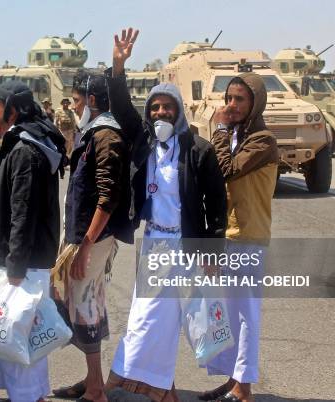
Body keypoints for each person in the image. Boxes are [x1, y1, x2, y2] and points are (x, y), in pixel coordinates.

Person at [99, 28, 227, 402]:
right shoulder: (146, 143)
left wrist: (212, 251)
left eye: (166, 107)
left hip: (182, 245)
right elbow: (121, 106)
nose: (160, 112)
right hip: (154, 240)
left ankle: (122, 378)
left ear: (178, 110)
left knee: (154, 319)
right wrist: (118, 67)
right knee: (151, 316)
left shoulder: (198, 150)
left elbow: (216, 205)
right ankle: (160, 389)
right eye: (154, 107)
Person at [51, 71, 134, 402]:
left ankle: (97, 388)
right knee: (85, 303)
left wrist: (85, 246)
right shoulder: (94, 133)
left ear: (93, 101)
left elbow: (108, 197)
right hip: (84, 235)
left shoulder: (106, 136)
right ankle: (92, 379)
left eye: (76, 100)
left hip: (93, 239)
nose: (74, 107)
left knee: (85, 305)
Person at [0, 80, 66, 402]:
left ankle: (27, 397)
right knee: (25, 337)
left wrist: (14, 266)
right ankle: (32, 396)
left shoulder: (26, 151)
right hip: (25, 262)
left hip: (21, 265)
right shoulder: (29, 145)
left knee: (17, 337)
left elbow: (23, 213)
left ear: (12, 111)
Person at [201, 73, 279, 402]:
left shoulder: (262, 140)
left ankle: (244, 388)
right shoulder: (235, 135)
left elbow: (227, 170)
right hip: (228, 235)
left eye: (239, 100)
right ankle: (233, 379)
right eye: (229, 98)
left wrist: (217, 132)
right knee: (228, 314)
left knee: (246, 313)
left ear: (254, 103)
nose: (231, 105)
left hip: (248, 235)